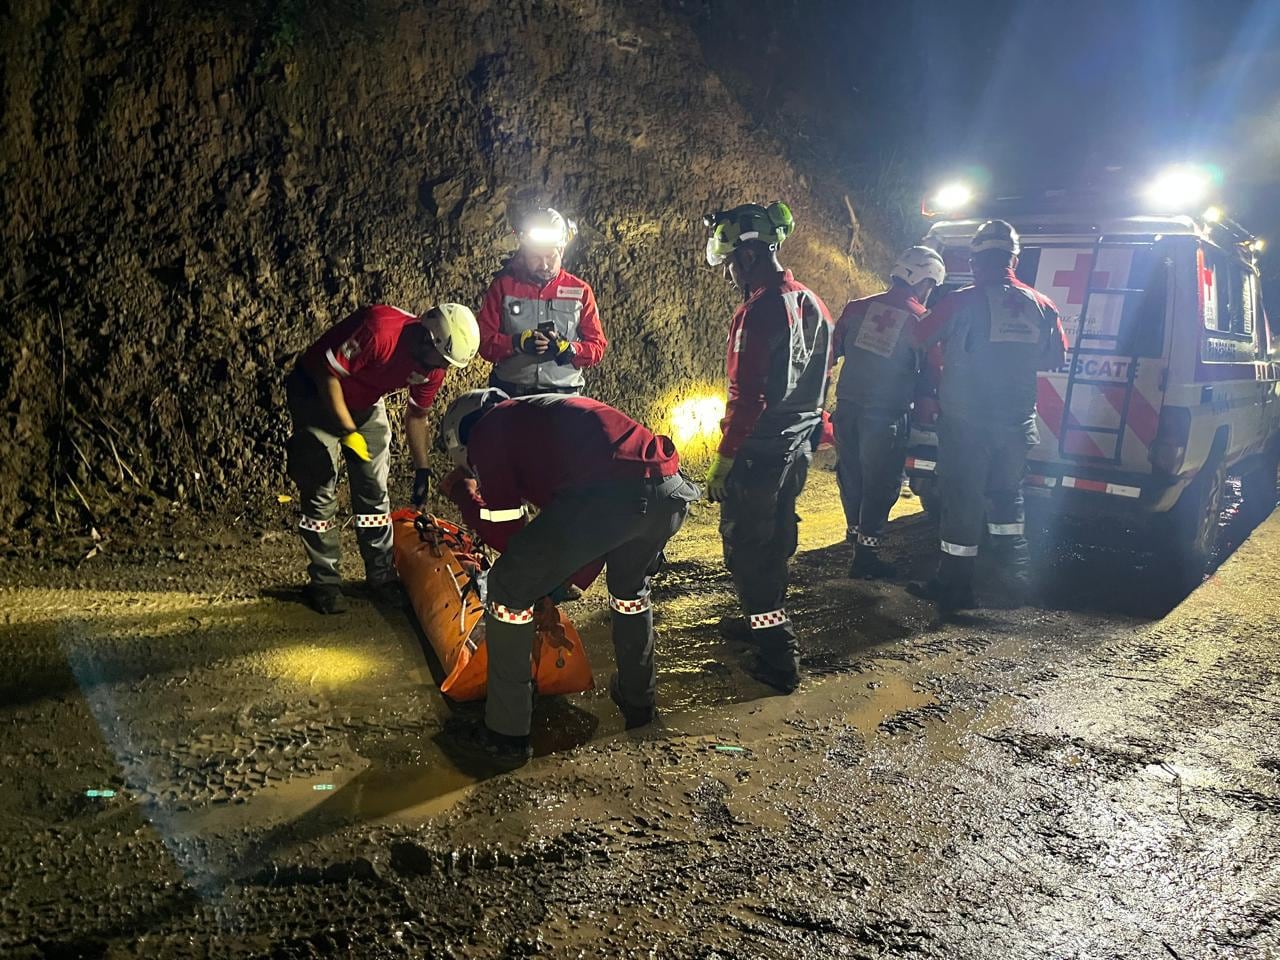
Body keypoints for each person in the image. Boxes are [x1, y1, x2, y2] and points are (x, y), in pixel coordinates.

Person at [437, 390, 699, 761]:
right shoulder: (530, 418)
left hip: (609, 497)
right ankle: (639, 702)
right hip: (665, 490)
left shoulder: (485, 434)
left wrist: (465, 494)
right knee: (629, 590)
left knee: (507, 586)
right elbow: (585, 533)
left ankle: (506, 734)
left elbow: (509, 535)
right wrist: (558, 588)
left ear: (460, 439)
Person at [702, 201, 834, 693]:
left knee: (748, 548)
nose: (731, 273)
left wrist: (724, 459)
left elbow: (747, 397)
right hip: (796, 448)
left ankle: (779, 657)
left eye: (733, 263)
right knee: (776, 538)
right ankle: (762, 621)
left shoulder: (756, 311)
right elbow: (821, 378)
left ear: (750, 255)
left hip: (759, 451)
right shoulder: (813, 304)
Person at [908, 220, 1066, 614]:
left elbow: (917, 337)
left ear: (975, 260)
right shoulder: (1042, 305)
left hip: (966, 425)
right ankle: (1018, 584)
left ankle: (955, 587)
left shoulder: (960, 301)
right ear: (1015, 258)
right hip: (1016, 424)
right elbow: (1055, 358)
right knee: (1006, 497)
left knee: (962, 501)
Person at [286, 303, 479, 614]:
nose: (440, 369)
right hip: (314, 393)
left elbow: (417, 415)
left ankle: (381, 578)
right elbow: (327, 374)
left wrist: (422, 469)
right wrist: (347, 430)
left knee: (375, 493)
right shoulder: (379, 330)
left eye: (447, 364)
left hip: (364, 402)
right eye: (440, 359)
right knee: (321, 492)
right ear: (426, 338)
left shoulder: (434, 368)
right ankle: (324, 583)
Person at [832, 246, 945, 579]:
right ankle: (866, 555)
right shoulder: (924, 321)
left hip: (847, 409)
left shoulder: (857, 308)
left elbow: (830, 352)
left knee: (851, 476)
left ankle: (854, 535)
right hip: (887, 417)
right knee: (881, 482)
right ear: (926, 281)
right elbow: (933, 375)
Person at [476, 207, 608, 397]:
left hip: (563, 399)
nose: (544, 265)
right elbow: (483, 341)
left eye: (550, 257)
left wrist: (570, 349)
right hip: (511, 395)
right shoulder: (503, 287)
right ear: (524, 253)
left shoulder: (580, 292)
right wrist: (516, 343)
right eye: (535, 258)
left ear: (561, 251)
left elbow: (597, 346)